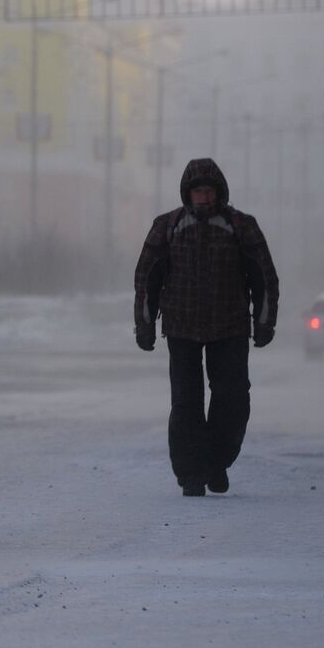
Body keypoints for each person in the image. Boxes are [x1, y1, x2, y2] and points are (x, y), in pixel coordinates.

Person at [134, 158, 279, 497]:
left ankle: (216, 463)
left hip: (230, 328)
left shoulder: (242, 226)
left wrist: (264, 322)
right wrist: (145, 324)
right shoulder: (167, 227)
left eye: (208, 191)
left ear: (219, 193)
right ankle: (191, 475)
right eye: (197, 191)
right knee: (185, 404)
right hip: (182, 329)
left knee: (232, 400)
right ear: (188, 193)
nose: (203, 197)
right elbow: (147, 279)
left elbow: (264, 278)